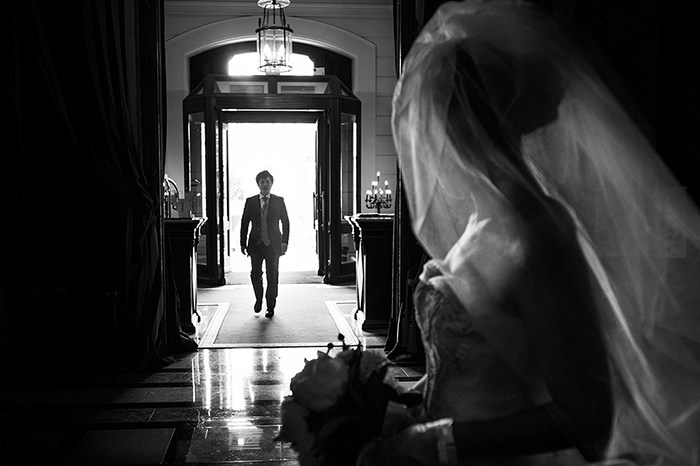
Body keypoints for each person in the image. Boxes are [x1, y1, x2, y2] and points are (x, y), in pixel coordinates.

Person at [356, 1, 700, 465]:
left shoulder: (539, 235)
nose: (431, 133)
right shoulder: (482, 219)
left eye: (440, 110)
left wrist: (439, 442)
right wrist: (396, 404)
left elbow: (587, 413)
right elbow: (480, 368)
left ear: (478, 114)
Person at [240, 170, 290, 318]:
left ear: (271, 183)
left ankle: (271, 306)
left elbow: (286, 222)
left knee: (272, 275)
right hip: (255, 244)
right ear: (258, 184)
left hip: (273, 244)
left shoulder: (279, 200)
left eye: (267, 182)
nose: (265, 185)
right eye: (262, 182)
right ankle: (258, 299)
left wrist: (285, 241)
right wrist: (243, 243)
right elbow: (244, 223)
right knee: (255, 274)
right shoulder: (251, 201)